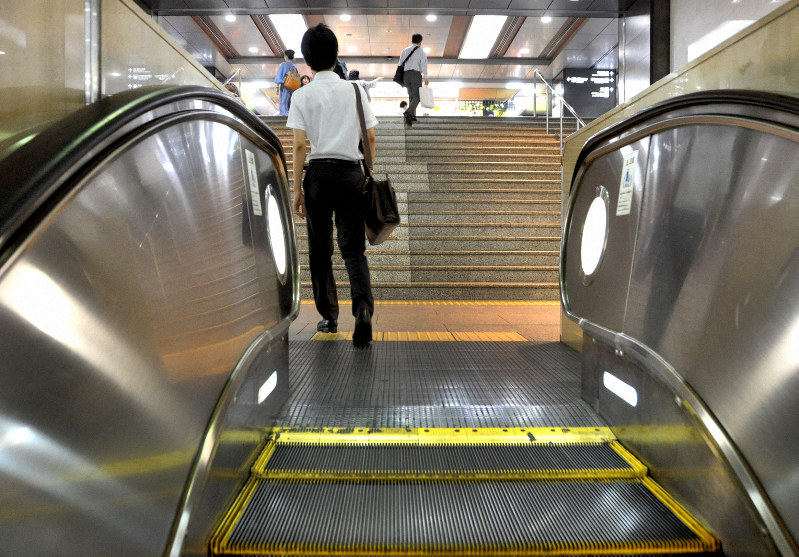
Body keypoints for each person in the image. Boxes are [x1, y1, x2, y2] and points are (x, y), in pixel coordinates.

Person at [287, 23, 377, 348]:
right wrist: (368, 170)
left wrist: (296, 188)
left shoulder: (301, 95)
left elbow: (299, 146)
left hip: (319, 177)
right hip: (352, 173)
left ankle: (328, 316)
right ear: (336, 55)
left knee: (320, 249)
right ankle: (363, 312)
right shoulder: (355, 91)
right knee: (353, 250)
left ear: (307, 60)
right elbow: (369, 136)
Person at [397, 33, 428, 127]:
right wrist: (426, 76)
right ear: (420, 42)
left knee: (411, 96)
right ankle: (408, 112)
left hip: (406, 75)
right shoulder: (421, 51)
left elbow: (400, 63)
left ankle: (411, 117)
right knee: (417, 96)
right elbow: (424, 64)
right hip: (415, 74)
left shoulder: (405, 50)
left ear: (412, 41)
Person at [274, 49, 298, 116]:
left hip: (285, 86)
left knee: (283, 102)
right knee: (289, 102)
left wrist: (277, 87)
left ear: (286, 56)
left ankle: (284, 115)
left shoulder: (283, 65)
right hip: (292, 87)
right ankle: (289, 114)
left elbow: (279, 77)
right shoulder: (294, 67)